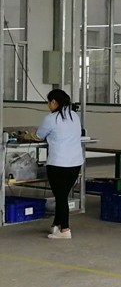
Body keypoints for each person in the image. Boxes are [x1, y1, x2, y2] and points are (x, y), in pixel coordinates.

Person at [36, 89, 84, 240]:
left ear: (54, 102)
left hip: (58, 163)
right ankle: (56, 225)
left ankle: (65, 230)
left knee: (61, 197)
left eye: (49, 102)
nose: (48, 105)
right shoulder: (74, 116)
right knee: (62, 195)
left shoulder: (51, 118)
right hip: (75, 163)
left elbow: (39, 136)